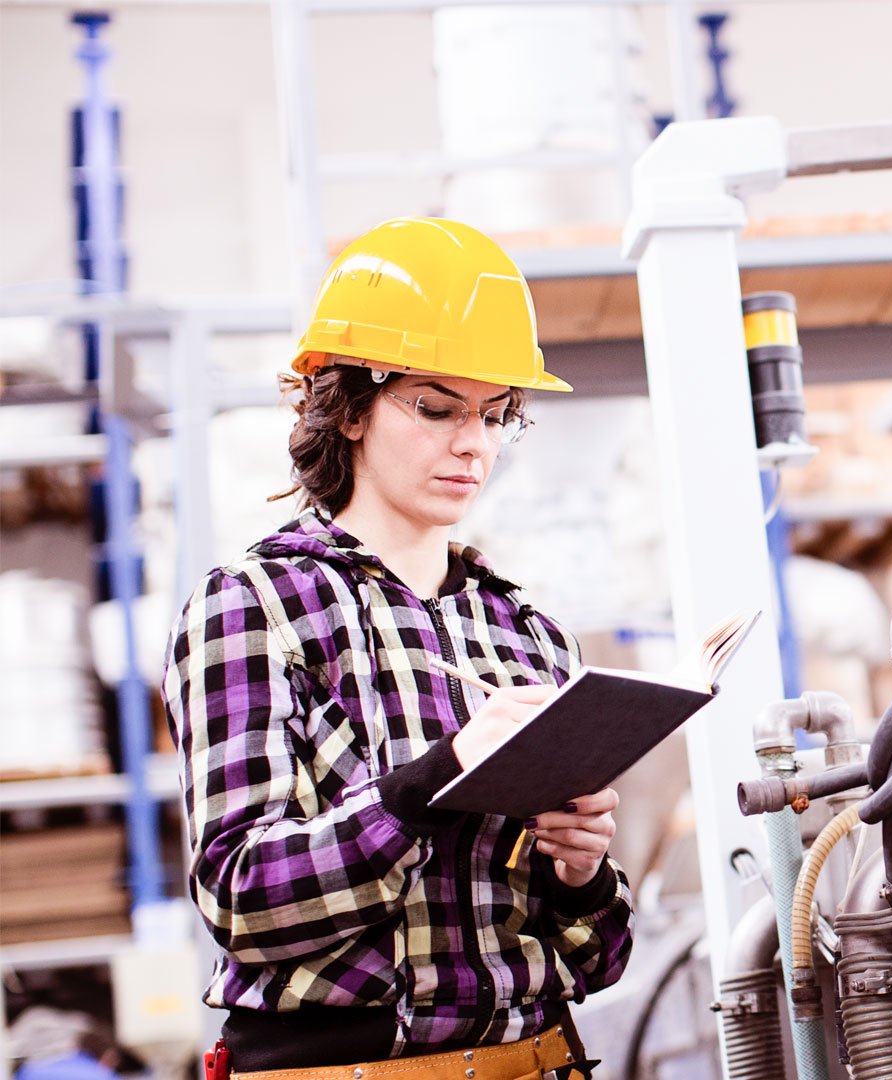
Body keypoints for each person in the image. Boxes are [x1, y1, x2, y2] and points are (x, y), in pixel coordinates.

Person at [162, 218, 631, 1075]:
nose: (473, 443)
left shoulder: (527, 636)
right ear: (346, 408)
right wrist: (434, 779)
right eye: (436, 407)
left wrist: (583, 876)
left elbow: (602, 960)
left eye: (497, 414)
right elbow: (242, 903)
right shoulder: (255, 607)